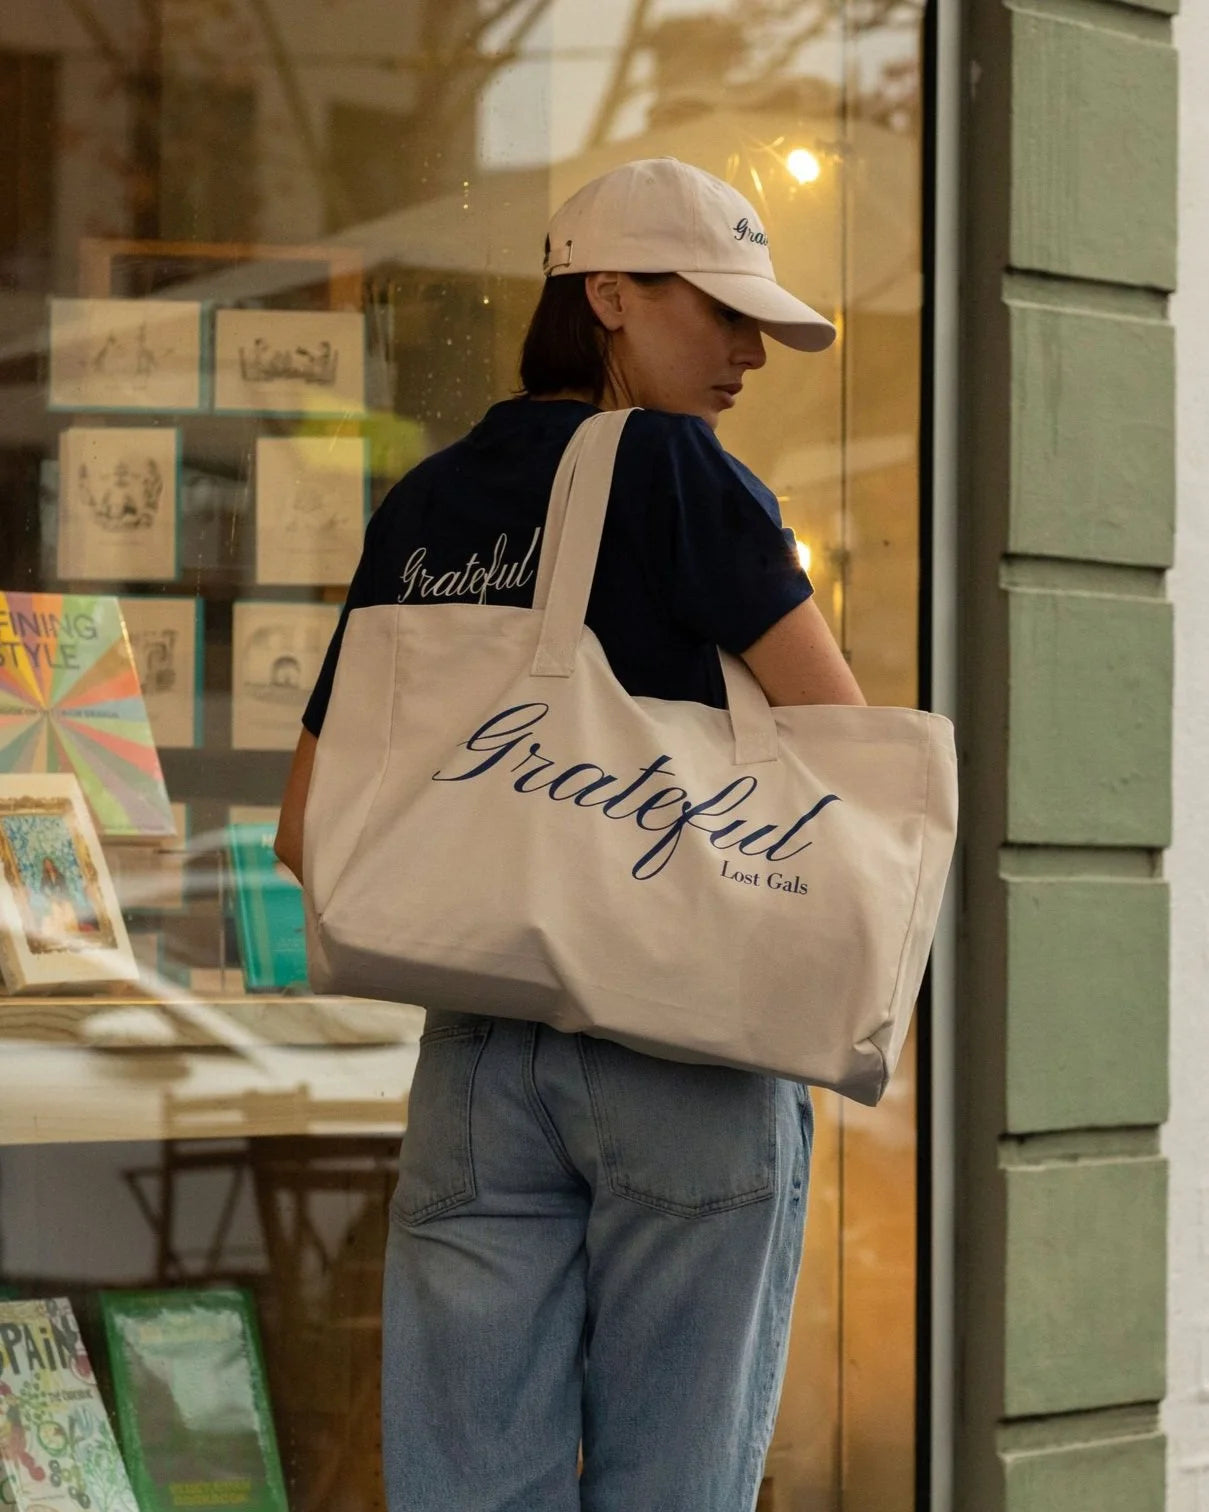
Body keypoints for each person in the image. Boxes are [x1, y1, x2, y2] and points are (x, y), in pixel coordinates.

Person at [275, 157, 865, 1512]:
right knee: (672, 1483)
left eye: (754, 325)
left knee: (470, 1485)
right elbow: (841, 754)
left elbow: (310, 828)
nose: (744, 354)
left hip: (476, 1057)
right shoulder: (676, 471)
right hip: (681, 1041)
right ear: (604, 293)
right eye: (714, 311)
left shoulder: (421, 504)